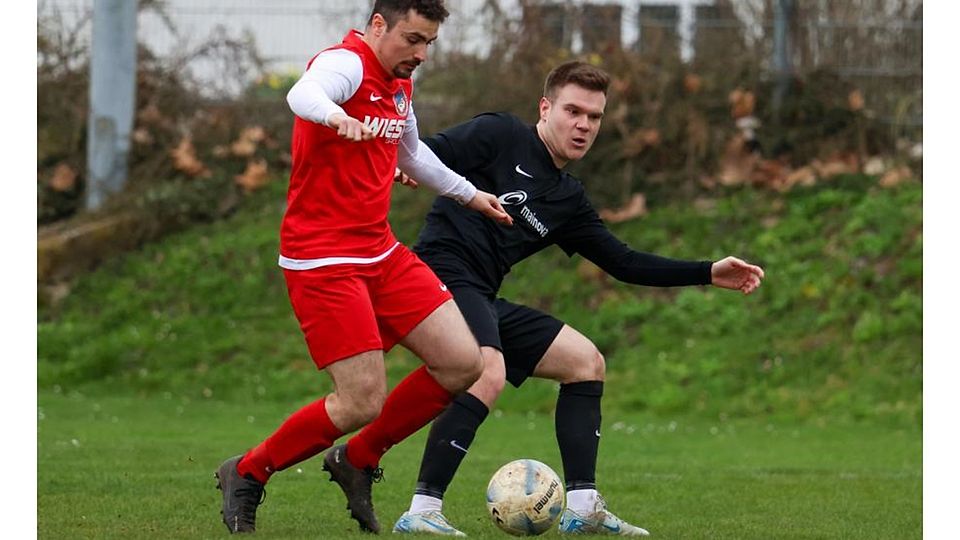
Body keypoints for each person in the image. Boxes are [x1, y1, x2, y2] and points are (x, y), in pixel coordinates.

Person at [385, 61, 765, 537]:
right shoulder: (501, 133)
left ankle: (583, 506)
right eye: (573, 111)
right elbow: (424, 152)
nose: (583, 125)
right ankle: (422, 510)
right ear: (545, 108)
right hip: (437, 277)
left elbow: (624, 262)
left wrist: (708, 272)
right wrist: (401, 169)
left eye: (595, 116)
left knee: (585, 361)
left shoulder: (568, 199)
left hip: (480, 293)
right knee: (489, 369)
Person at [214, 0, 514, 534]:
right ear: (379, 25)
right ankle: (247, 471)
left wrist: (472, 196)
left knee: (463, 363)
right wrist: (336, 116)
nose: (420, 53)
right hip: (322, 260)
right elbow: (301, 93)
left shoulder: (401, 83)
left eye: (429, 43)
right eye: (412, 39)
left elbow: (412, 153)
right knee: (360, 400)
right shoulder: (346, 64)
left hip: (379, 251)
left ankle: (356, 460)